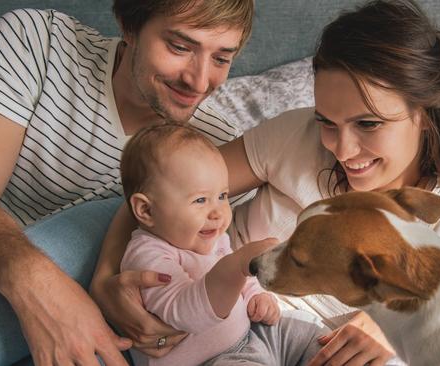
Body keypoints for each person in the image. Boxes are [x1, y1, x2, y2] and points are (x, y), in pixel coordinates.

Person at [94, 0, 440, 365]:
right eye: (327, 122)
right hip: (213, 311)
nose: (342, 149)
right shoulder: (295, 136)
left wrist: (384, 327)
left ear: (425, 116)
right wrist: (106, 277)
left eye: (368, 124)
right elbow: (161, 190)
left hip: (311, 347)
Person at [0, 0, 254, 364]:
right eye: (180, 47)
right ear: (129, 25)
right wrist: (42, 288)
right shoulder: (40, 44)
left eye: (221, 59)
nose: (199, 81)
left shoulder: (215, 150)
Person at [118, 124, 327, 365]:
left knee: (310, 332)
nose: (218, 212)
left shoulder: (211, 236)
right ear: (146, 210)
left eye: (222, 196)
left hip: (250, 337)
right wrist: (238, 264)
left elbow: (241, 284)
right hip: (210, 360)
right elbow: (188, 314)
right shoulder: (147, 255)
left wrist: (256, 296)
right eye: (200, 200)